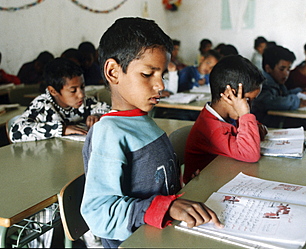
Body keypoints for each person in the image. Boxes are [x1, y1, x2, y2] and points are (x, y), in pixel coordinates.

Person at [81, 17, 222, 249]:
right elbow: (99, 214)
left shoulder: (144, 121)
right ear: (113, 72)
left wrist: (181, 184)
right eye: (147, 74)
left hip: (165, 234)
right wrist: (165, 207)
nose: (161, 85)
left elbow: (155, 181)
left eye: (162, 75)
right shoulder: (109, 132)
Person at [184, 55, 267, 184]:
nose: (248, 108)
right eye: (247, 101)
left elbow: (257, 131)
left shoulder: (225, 116)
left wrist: (250, 123)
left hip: (222, 178)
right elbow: (250, 154)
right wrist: (245, 115)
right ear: (230, 95)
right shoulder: (212, 128)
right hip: (201, 190)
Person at [9, 57, 109, 143]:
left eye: (82, 87)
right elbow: (15, 132)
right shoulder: (42, 106)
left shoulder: (85, 102)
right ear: (53, 91)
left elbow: (108, 109)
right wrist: (61, 129)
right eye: (73, 90)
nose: (81, 95)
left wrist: (97, 115)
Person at [251, 45, 306, 127]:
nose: (286, 74)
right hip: (262, 127)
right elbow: (270, 102)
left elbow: (282, 94)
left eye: (288, 69)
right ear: (268, 68)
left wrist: (297, 92)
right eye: (282, 69)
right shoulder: (262, 85)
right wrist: (296, 101)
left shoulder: (276, 81)